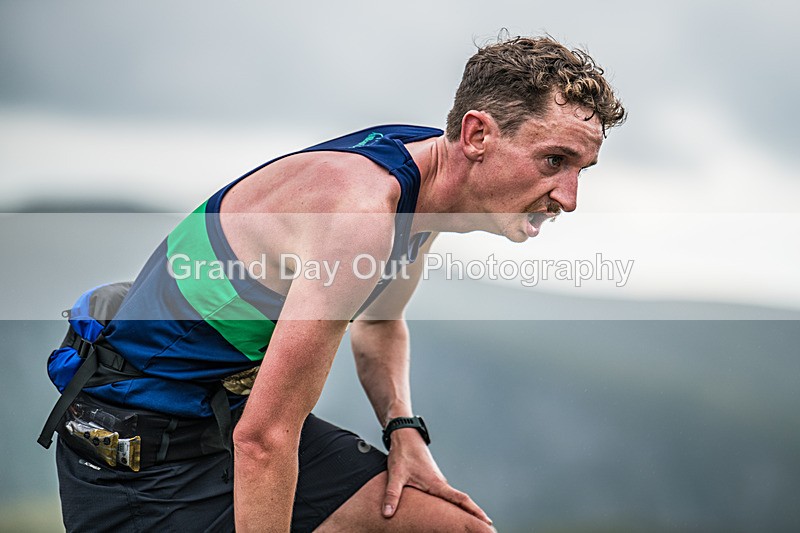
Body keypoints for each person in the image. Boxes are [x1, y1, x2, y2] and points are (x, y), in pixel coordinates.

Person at [45, 35, 625, 532]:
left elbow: (378, 322)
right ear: (477, 135)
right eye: (553, 162)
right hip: (141, 457)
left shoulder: (427, 182)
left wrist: (403, 429)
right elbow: (265, 440)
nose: (570, 198)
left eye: (582, 171)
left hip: (221, 417)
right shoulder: (360, 217)